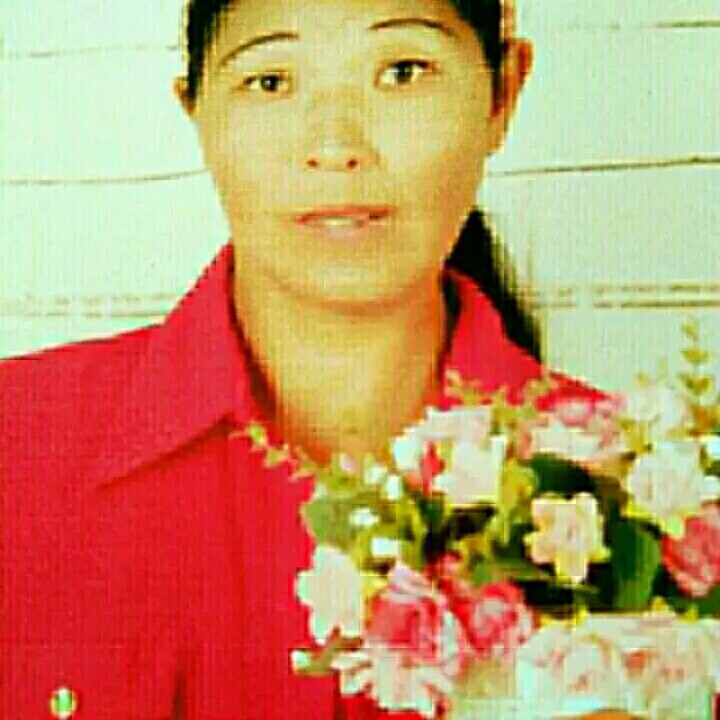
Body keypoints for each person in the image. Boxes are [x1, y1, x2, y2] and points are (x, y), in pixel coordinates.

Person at [1, 1, 610, 718]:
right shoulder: (19, 443)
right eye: (271, 81)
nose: (335, 146)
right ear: (195, 111)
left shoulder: (646, 495)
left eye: (403, 71)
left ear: (503, 94)